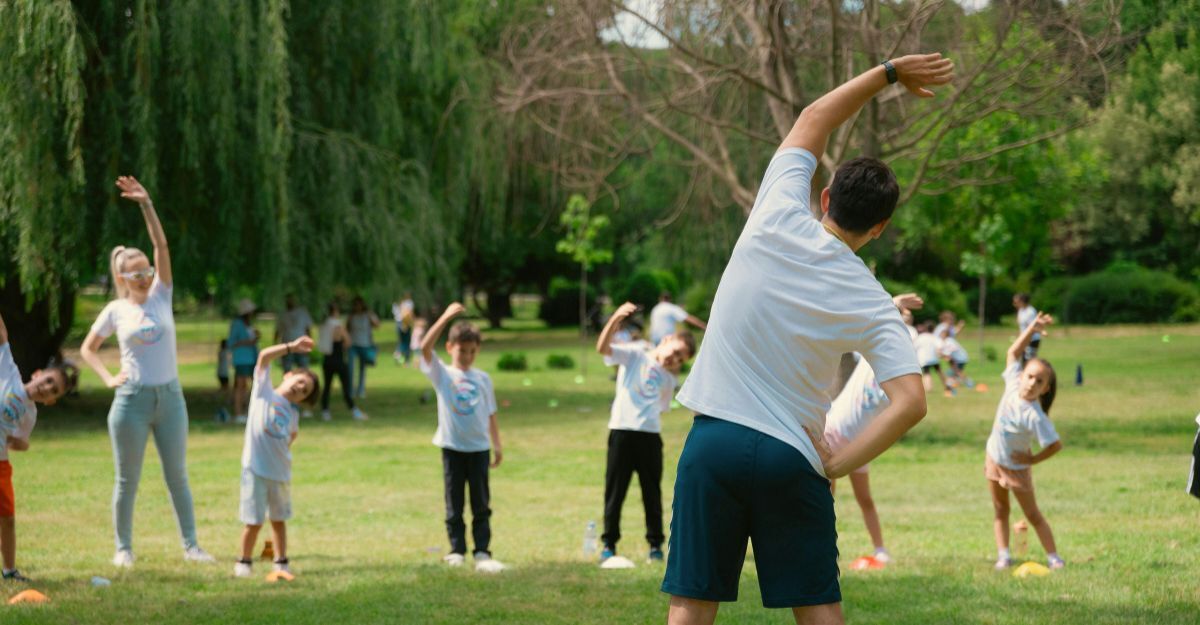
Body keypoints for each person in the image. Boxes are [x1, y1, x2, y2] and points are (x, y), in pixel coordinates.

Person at [663, 53, 951, 625]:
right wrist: (840, 462)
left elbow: (816, 114)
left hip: (714, 442)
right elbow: (911, 402)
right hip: (793, 455)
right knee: (818, 610)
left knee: (691, 607)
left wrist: (889, 72)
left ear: (824, 198)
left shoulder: (775, 213)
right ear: (879, 229)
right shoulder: (872, 298)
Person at [79, 175, 216, 568]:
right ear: (122, 278)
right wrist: (108, 378)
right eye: (136, 273)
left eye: (147, 271)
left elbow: (161, 245)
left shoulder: (162, 295)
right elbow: (88, 350)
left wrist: (146, 204)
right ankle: (123, 549)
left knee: (178, 476)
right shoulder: (116, 310)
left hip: (171, 399)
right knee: (127, 481)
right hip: (132, 402)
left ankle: (192, 546)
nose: (144, 276)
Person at [822, 293, 922, 567]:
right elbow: (869, 318)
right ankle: (823, 550)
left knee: (865, 498)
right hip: (834, 432)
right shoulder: (869, 354)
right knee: (824, 498)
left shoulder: (902, 381)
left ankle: (880, 549)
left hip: (862, 443)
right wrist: (893, 302)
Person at [596, 302, 696, 564]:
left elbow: (661, 408)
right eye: (675, 352)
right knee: (615, 490)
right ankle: (609, 543)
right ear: (666, 339)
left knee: (651, 492)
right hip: (621, 431)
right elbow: (602, 349)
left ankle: (655, 545)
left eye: (680, 359)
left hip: (650, 437)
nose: (674, 359)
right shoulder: (635, 355)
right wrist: (617, 317)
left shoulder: (669, 380)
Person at [420, 303, 506, 573]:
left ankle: (482, 550)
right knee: (454, 502)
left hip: (479, 448)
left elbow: (490, 412)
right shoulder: (442, 374)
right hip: (452, 447)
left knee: (481, 503)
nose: (467, 356)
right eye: (461, 350)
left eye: (472, 351)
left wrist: (497, 444)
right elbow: (424, 347)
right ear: (450, 348)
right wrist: (445, 317)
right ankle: (456, 549)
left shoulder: (483, 378)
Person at [0, 312, 77, 582]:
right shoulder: (8, 371)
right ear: (37, 373)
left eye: (52, 390)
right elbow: (3, 336)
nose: (45, 387)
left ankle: (9, 571)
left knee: (7, 518)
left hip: (1, 463)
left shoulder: (30, 414)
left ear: (51, 401)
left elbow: (21, 441)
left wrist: (14, 441)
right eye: (47, 380)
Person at [234, 336, 319, 578]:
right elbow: (263, 357)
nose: (300, 388)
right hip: (255, 470)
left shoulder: (293, 414)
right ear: (288, 375)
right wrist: (291, 347)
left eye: (305, 391)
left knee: (279, 520)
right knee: (254, 520)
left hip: (280, 473)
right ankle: (244, 561)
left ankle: (281, 561)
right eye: (301, 382)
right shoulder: (264, 391)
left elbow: (291, 437)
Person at [986, 311, 1064, 571]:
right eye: (1030, 376)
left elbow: (1055, 445)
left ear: (1045, 389)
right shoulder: (1012, 384)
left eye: (1039, 381)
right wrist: (1032, 328)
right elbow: (1012, 352)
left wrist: (1032, 459)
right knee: (1000, 509)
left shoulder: (1035, 416)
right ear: (1021, 376)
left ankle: (1054, 557)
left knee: (1032, 515)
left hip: (1017, 468)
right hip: (994, 457)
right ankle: (1003, 556)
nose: (1032, 383)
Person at [318, 303, 365, 421]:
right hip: (338, 359)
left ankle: (325, 411)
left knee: (327, 387)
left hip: (327, 360)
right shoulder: (337, 325)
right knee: (346, 387)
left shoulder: (323, 325)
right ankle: (354, 410)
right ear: (335, 311)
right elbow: (348, 341)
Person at [228, 300, 260, 424]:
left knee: (251, 385)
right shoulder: (236, 324)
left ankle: (249, 410)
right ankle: (238, 413)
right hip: (241, 358)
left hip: (252, 357)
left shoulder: (249, 324)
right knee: (240, 386)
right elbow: (231, 342)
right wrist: (247, 342)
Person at [347, 297, 379, 399]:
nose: (357, 307)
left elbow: (377, 325)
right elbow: (347, 328)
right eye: (355, 305)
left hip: (365, 344)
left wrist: (371, 315)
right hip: (353, 344)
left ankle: (361, 390)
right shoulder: (352, 316)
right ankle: (351, 391)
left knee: (362, 368)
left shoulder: (367, 315)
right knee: (351, 368)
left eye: (359, 304)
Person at [275, 295, 313, 373]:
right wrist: (276, 346)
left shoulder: (302, 312)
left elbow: (308, 329)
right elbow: (278, 331)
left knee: (304, 370)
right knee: (287, 370)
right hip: (287, 346)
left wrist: (309, 343)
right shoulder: (282, 314)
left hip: (302, 346)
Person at [914, 321, 953, 395]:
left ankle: (928, 389)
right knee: (940, 371)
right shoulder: (934, 337)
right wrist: (944, 355)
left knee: (927, 373)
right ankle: (947, 385)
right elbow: (940, 347)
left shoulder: (920, 337)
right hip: (933, 358)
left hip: (923, 359)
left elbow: (914, 347)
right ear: (933, 329)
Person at [1013, 293, 1040, 364]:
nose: (1014, 304)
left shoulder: (1030, 312)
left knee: (1029, 360)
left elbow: (1033, 328)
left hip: (1031, 339)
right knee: (1021, 360)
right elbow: (1021, 327)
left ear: (1022, 301)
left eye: (1016, 302)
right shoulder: (1021, 311)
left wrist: (1026, 340)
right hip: (1023, 338)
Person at [393, 293, 415, 365]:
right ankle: (406, 360)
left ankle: (398, 354)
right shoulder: (409, 303)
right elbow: (409, 314)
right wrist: (412, 322)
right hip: (405, 323)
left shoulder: (395, 304)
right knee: (407, 342)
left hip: (398, 323)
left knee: (402, 341)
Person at [216, 339, 232, 423]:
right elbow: (230, 361)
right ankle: (226, 399)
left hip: (220, 372)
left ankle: (220, 396)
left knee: (223, 387)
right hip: (224, 373)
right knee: (226, 387)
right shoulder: (226, 352)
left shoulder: (220, 352)